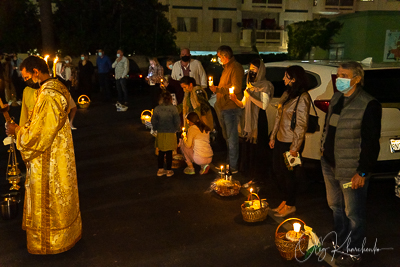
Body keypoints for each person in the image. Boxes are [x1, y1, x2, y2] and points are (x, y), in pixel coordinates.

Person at [4, 55, 82, 254]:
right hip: (59, 153)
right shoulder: (57, 87)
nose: (25, 80)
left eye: (26, 76)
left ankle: (50, 242)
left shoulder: (48, 95)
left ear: (36, 72)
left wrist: (17, 131)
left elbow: (40, 135)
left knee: (50, 200)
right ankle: (66, 234)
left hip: (49, 158)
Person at [320, 62, 381, 266]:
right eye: (338, 75)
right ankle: (341, 241)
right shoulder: (337, 98)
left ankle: (355, 250)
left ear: (356, 79)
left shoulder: (368, 104)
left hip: (350, 170)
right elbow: (329, 129)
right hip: (329, 164)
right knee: (336, 206)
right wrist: (323, 150)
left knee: (353, 213)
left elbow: (371, 143)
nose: (339, 79)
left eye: (344, 75)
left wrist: (362, 172)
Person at [269, 65, 311, 217]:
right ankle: (285, 200)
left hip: (291, 142)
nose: (283, 79)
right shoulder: (287, 94)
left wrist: (295, 147)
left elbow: (301, 124)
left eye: (286, 76)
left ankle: (291, 204)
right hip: (281, 138)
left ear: (294, 79)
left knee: (290, 174)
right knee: (278, 171)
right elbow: (279, 117)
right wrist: (273, 136)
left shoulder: (303, 97)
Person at [230, 58, 274, 184]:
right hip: (248, 122)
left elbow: (264, 105)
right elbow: (243, 104)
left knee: (258, 149)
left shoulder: (265, 85)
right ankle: (249, 175)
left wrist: (250, 96)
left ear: (260, 71)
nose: (251, 72)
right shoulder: (249, 85)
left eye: (254, 70)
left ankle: (258, 177)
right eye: (250, 70)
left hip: (258, 121)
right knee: (248, 149)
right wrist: (234, 99)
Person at [209, 45, 244, 173]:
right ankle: (229, 164)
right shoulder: (226, 68)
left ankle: (233, 166)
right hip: (224, 107)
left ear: (225, 56)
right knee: (228, 138)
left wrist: (218, 89)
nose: (219, 59)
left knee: (232, 138)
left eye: (220, 57)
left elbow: (236, 88)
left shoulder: (235, 67)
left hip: (231, 107)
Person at [151, 91, 180, 177]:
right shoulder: (174, 108)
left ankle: (160, 169)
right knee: (169, 152)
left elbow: (153, 121)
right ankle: (169, 170)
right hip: (170, 132)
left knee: (161, 151)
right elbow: (177, 121)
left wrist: (155, 128)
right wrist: (176, 129)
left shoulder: (157, 109)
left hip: (160, 132)